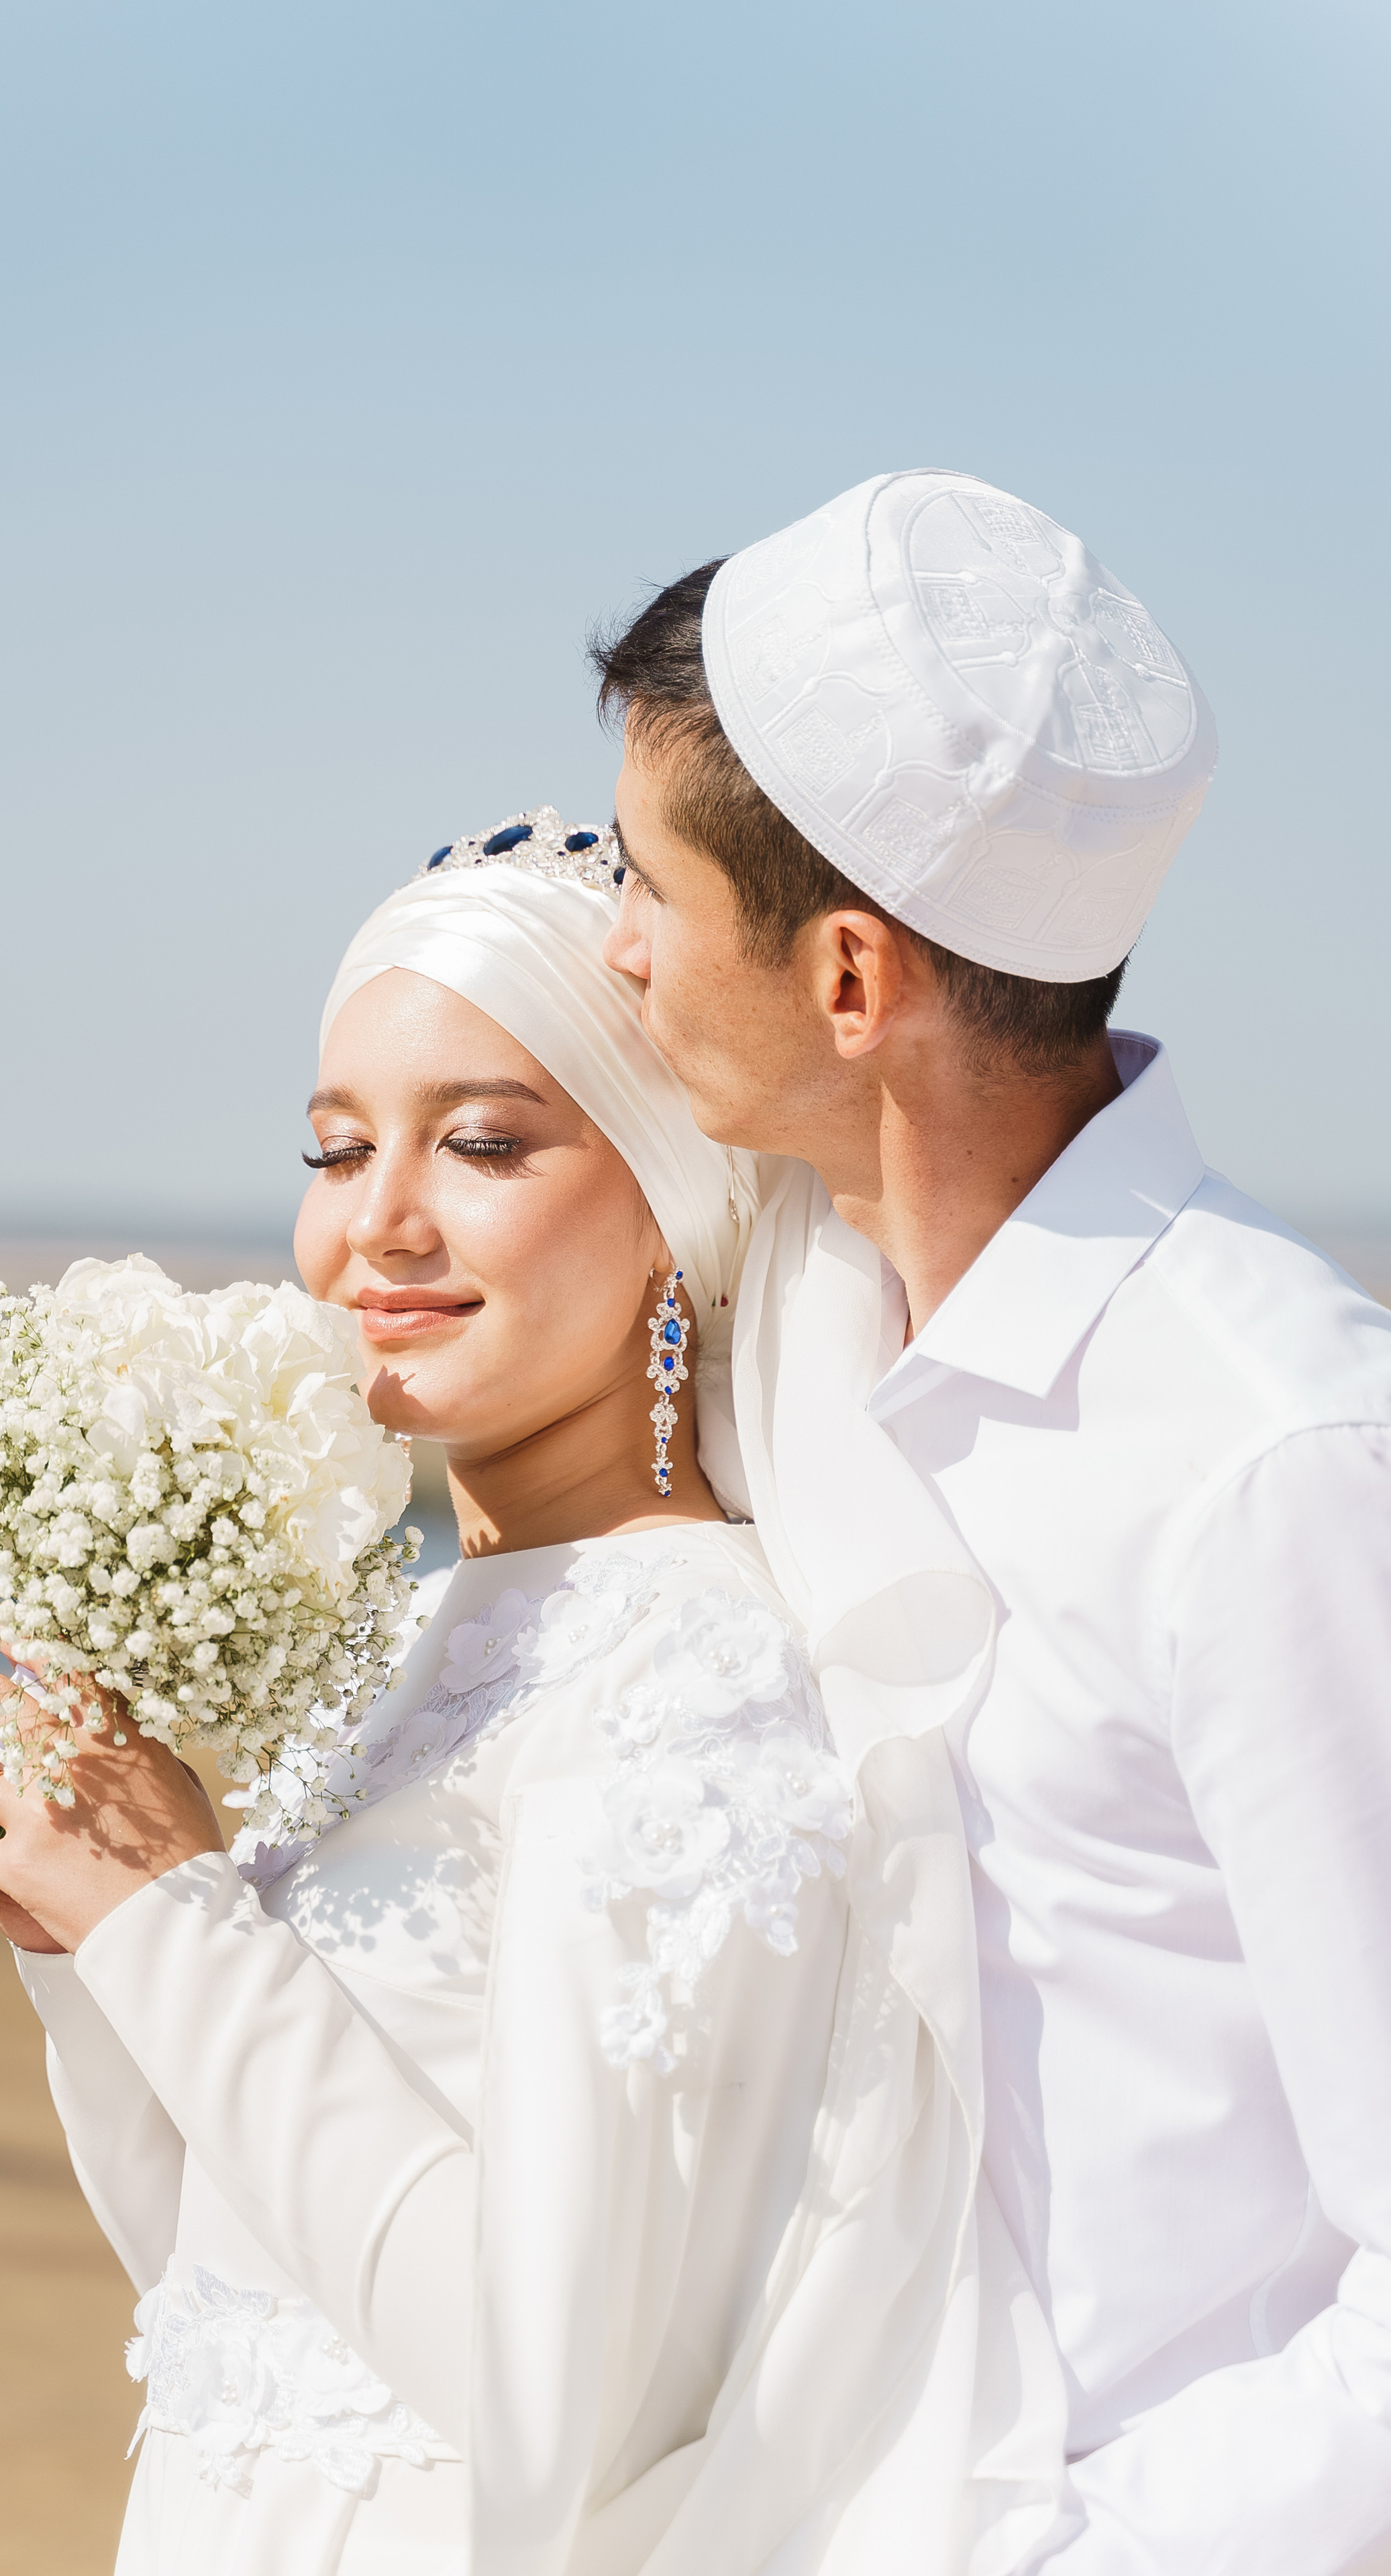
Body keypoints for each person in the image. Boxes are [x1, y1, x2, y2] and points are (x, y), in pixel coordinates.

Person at [0, 808, 1073, 2575]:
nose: (381, 1227)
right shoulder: (388, 1656)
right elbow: (224, 2291)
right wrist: (83, 1936)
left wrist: (172, 1919)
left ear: (683, 1203)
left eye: (488, 1146)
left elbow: (554, 2408)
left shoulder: (693, 1675)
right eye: (336, 1147)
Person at [593, 468, 1391, 2575]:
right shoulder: (808, 1317)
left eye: (644, 888)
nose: (616, 951)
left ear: (850, 976)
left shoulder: (1276, 1458)